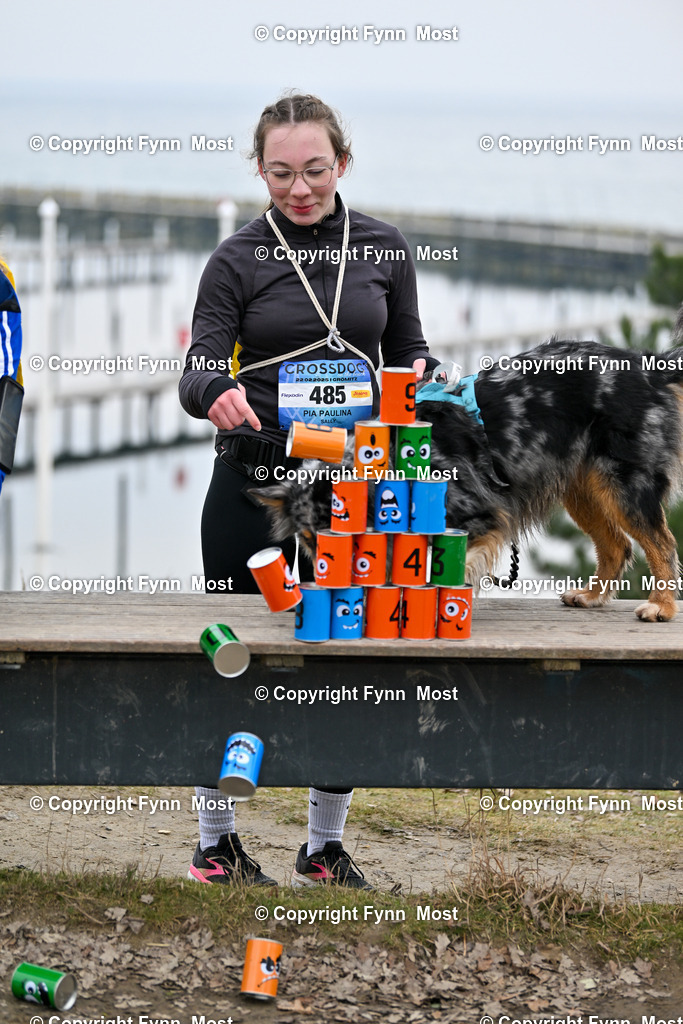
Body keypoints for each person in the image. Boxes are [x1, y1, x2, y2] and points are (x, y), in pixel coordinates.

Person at [179, 93, 438, 889]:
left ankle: (321, 848)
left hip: (352, 486)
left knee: (346, 661)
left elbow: (411, 352)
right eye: (281, 172)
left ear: (343, 164)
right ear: (258, 169)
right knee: (231, 660)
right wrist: (211, 395)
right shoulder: (235, 259)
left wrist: (423, 380)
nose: (299, 189)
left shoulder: (386, 248)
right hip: (253, 480)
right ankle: (214, 844)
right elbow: (196, 371)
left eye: (314, 170)